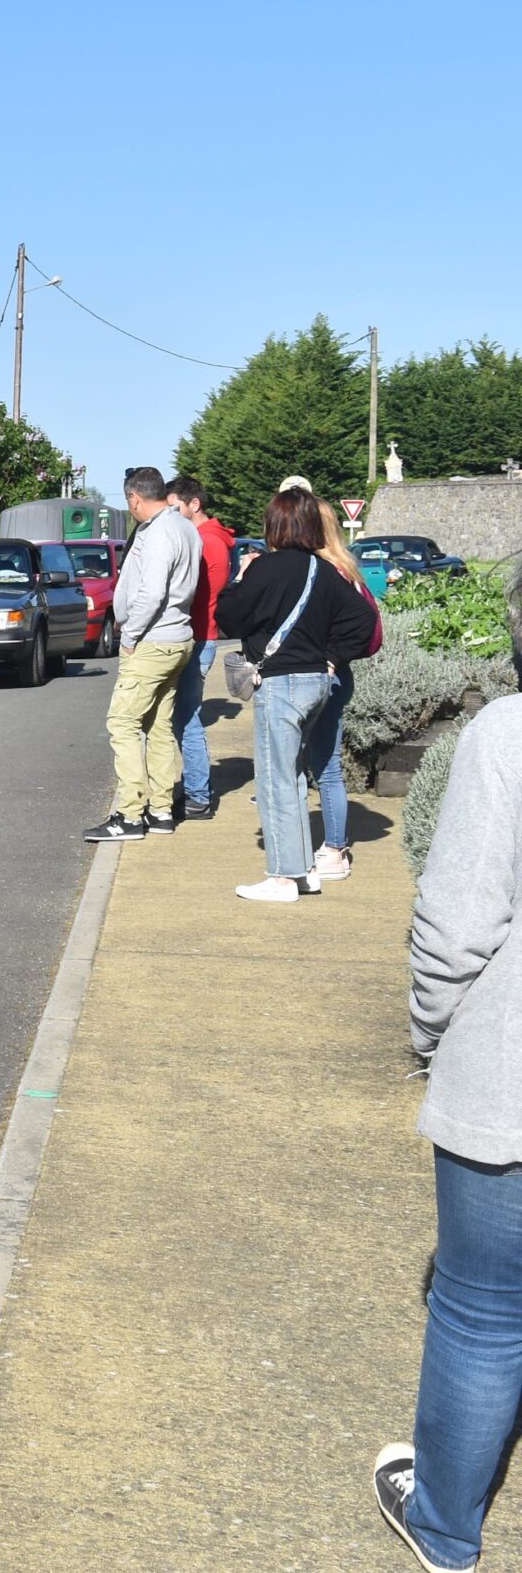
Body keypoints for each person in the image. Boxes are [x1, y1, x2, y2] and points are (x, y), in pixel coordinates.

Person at [373, 562, 522, 1572]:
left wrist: (432, 1038)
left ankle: (443, 1525)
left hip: (509, 1080)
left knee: (480, 1307)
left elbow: (456, 929)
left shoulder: (505, 736)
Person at [212, 486, 376, 902]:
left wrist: (241, 576)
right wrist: (333, 657)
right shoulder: (324, 569)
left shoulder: (265, 568)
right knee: (297, 776)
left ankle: (284, 878)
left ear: (275, 525)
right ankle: (304, 871)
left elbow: (228, 616)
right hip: (318, 682)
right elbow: (362, 618)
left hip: (280, 684)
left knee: (276, 779)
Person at [84, 467, 200, 843]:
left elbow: (152, 592)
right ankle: (161, 810)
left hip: (153, 640)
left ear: (134, 498)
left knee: (123, 723)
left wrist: (130, 635)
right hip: (177, 637)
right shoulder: (184, 526)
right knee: (159, 726)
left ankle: (129, 815)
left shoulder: (160, 532)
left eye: (128, 501)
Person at [302, 497, 382, 882]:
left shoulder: (323, 570)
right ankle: (332, 847)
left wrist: (330, 657)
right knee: (323, 763)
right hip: (339, 675)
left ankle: (335, 848)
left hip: (325, 674)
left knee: (324, 766)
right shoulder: (346, 567)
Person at [165, 476, 237, 820]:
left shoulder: (206, 541)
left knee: (186, 718)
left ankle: (198, 795)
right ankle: (195, 789)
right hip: (198, 635)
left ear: (194, 504)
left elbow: (196, 593)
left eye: (174, 507)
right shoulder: (211, 538)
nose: (170, 514)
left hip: (197, 636)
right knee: (184, 717)